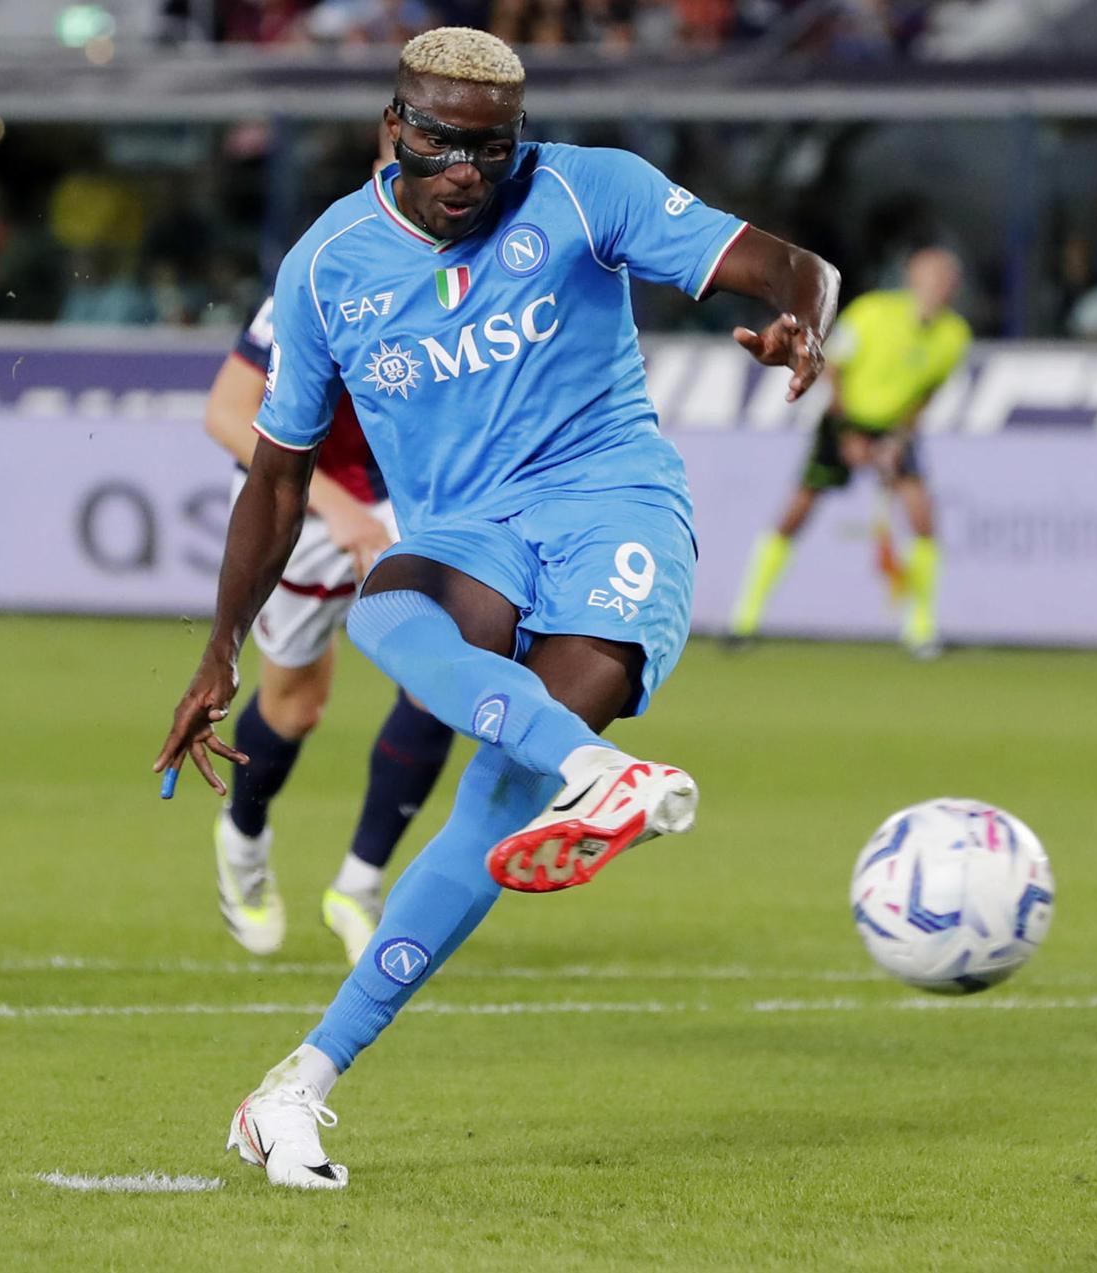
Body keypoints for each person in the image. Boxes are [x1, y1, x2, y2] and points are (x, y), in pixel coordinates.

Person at [152, 27, 837, 1188]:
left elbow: (789, 263)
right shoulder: (327, 267)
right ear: (393, 130)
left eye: (493, 146)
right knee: (384, 603)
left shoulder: (586, 187)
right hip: (466, 533)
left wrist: (799, 320)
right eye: (444, 144)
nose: (471, 168)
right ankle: (593, 774)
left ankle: (296, 1087)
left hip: (613, 505)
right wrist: (219, 650)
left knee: (498, 803)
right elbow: (276, 478)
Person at [204, 284, 456, 966]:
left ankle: (359, 884)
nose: (454, 175)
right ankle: (243, 837)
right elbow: (227, 414)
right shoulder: (326, 274)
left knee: (445, 677)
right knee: (295, 704)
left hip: (413, 495)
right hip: (298, 496)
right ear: (385, 170)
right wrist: (338, 504)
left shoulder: (484, 267)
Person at [727, 247, 968, 657]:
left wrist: (896, 440)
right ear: (913, 277)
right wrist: (847, 434)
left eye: (946, 280)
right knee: (795, 515)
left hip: (893, 430)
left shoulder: (954, 336)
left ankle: (921, 630)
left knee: (922, 519)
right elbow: (832, 368)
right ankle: (743, 621)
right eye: (932, 277)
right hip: (844, 418)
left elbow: (928, 394)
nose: (939, 287)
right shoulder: (872, 312)